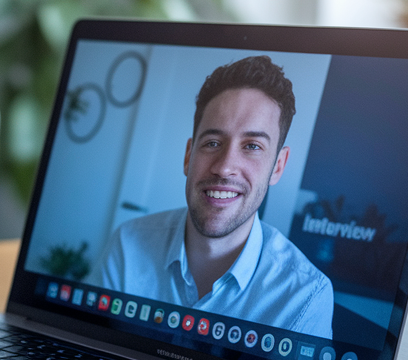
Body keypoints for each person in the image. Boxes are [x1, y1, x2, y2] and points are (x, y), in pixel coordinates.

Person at [89, 56, 334, 338]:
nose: (224, 167)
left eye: (252, 146)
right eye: (213, 143)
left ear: (278, 166)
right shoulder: (127, 246)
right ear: (187, 155)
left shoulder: (306, 298)